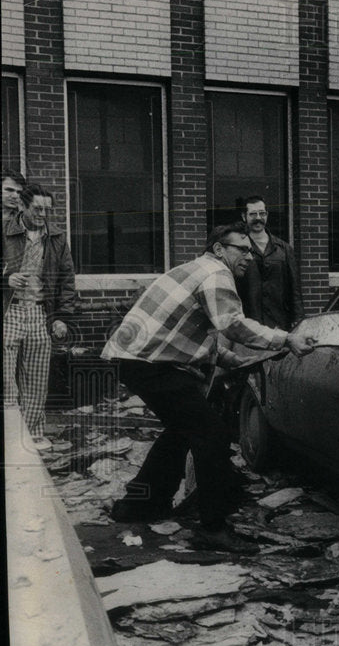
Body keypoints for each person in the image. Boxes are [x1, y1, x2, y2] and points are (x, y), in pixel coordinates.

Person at [102, 222, 316, 554]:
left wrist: (229, 359)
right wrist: (286, 338)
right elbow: (230, 323)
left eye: (250, 250)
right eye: (241, 250)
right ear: (219, 249)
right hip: (148, 362)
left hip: (135, 358)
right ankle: (214, 528)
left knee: (181, 429)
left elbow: (193, 329)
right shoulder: (217, 273)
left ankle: (139, 505)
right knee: (211, 434)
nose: (249, 257)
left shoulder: (196, 269)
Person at [2, 184, 77, 450]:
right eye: (37, 209)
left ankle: (33, 434)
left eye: (47, 209)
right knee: (5, 379)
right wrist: (5, 278)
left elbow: (67, 280)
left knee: (36, 376)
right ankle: (10, 437)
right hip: (9, 311)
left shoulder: (56, 237)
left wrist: (62, 317)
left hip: (39, 312)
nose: (43, 214)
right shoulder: (5, 231)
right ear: (22, 206)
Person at [236, 196, 304, 331]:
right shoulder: (237, 248)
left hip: (279, 321)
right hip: (249, 322)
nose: (258, 218)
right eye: (253, 214)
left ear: (266, 215)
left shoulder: (283, 248)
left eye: (262, 213)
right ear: (244, 217)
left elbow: (294, 288)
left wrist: (298, 319)